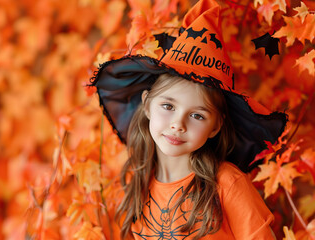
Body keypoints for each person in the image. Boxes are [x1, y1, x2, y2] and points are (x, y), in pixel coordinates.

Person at [90, 0, 287, 239]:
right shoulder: (139, 183)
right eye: (168, 106)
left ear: (215, 126)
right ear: (147, 105)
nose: (178, 124)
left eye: (197, 115)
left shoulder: (226, 184)